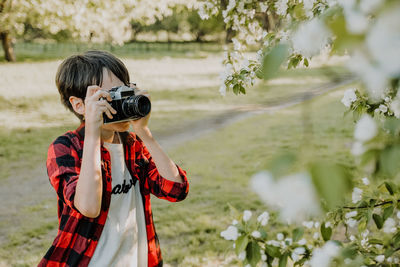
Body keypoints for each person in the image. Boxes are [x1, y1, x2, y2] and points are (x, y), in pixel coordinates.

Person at [38, 50, 189, 267]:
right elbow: (88, 207)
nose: (120, 103)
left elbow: (176, 190)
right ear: (79, 105)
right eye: (108, 96)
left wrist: (144, 132)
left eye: (123, 92)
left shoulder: (132, 145)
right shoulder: (65, 147)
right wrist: (92, 132)